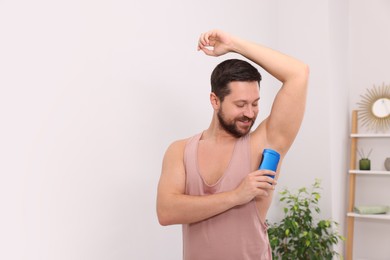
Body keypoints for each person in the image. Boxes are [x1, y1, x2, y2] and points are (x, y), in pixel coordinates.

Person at [156, 29, 309, 260]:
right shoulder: (179, 151)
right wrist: (237, 195)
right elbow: (166, 212)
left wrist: (234, 44)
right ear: (215, 100)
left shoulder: (264, 142)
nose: (250, 113)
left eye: (255, 103)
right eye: (240, 104)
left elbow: (299, 73)